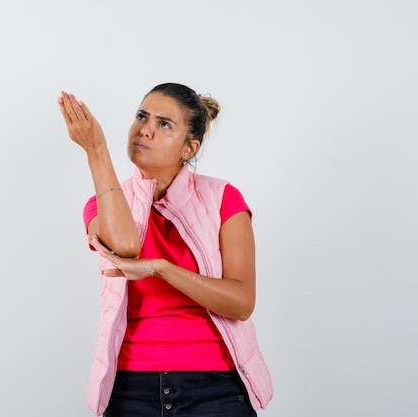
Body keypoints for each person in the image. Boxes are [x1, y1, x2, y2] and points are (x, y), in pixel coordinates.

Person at [58, 83, 273, 417]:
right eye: (142, 117)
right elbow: (127, 246)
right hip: (130, 388)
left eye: (164, 124)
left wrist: (161, 268)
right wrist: (96, 150)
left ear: (189, 148)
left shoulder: (224, 199)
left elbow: (241, 303)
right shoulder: (99, 206)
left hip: (214, 387)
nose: (145, 130)